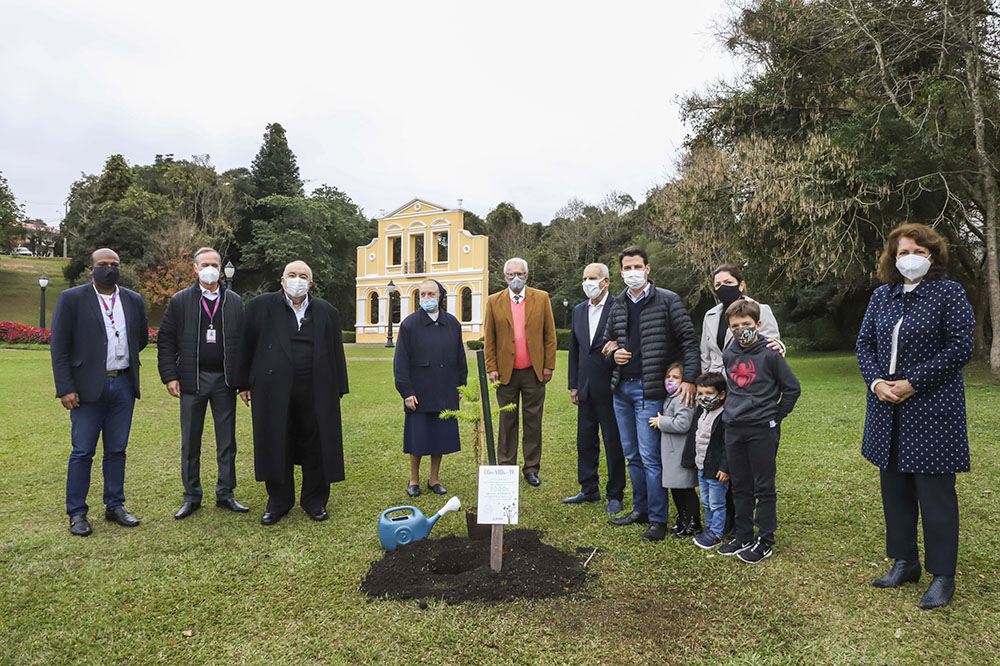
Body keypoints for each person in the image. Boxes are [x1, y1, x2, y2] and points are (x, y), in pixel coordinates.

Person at [856, 223, 974, 609]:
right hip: (886, 407)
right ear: (893, 257)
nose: (911, 258)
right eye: (904, 251)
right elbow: (865, 345)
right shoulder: (881, 296)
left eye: (920, 252)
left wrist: (913, 382)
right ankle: (905, 561)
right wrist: (876, 382)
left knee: (935, 495)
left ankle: (943, 576)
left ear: (933, 257)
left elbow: (960, 347)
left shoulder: (948, 293)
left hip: (931, 409)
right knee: (895, 491)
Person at [235, 260, 349, 526]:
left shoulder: (326, 312)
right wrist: (243, 383)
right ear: (282, 279)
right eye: (292, 274)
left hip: (317, 390)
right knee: (276, 442)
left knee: (316, 444)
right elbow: (246, 346)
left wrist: (339, 387)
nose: (297, 279)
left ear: (310, 283)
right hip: (272, 390)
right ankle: (279, 501)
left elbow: (336, 352)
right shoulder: (259, 307)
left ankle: (315, 500)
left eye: (303, 276)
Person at [602, 246, 700, 542]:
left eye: (637, 267)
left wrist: (690, 379)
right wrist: (613, 353)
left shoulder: (668, 301)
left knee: (650, 457)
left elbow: (688, 341)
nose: (632, 272)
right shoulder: (617, 304)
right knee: (632, 455)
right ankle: (641, 509)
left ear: (647, 269)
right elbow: (608, 342)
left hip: (651, 390)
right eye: (627, 268)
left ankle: (659, 518)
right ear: (620, 272)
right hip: (621, 390)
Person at [50, 248, 148, 536]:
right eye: (103, 265)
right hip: (85, 388)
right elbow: (60, 348)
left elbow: (140, 338)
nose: (109, 269)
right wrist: (66, 388)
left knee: (117, 450)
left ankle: (115, 505)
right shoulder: (72, 299)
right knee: (82, 451)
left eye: (114, 264)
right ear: (91, 270)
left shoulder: (133, 299)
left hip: (123, 385)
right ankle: (77, 512)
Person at [157, 247, 248, 519]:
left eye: (215, 264)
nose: (211, 268)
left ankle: (226, 493)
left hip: (224, 380)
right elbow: (166, 341)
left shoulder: (233, 300)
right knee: (190, 442)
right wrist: (170, 376)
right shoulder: (180, 300)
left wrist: (243, 381)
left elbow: (244, 343)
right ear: (195, 269)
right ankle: (192, 496)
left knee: (226, 441)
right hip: (191, 380)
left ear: (221, 269)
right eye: (205, 264)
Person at [717, 298, 800, 563]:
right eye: (735, 326)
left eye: (747, 324)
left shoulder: (770, 354)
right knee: (740, 484)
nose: (741, 330)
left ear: (758, 325)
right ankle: (743, 535)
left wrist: (776, 415)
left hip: (762, 428)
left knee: (763, 486)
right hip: (734, 426)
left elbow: (792, 388)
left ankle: (765, 539)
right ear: (729, 328)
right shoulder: (729, 353)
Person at [483, 257, 557, 487]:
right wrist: (491, 367)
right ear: (505, 277)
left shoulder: (542, 298)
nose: (516, 278)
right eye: (511, 274)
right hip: (505, 373)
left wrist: (548, 365)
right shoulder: (494, 301)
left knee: (533, 421)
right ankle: (507, 466)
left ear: (527, 275)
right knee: (507, 421)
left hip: (533, 372)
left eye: (520, 274)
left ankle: (531, 468)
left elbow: (549, 335)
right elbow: (490, 338)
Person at [393, 279, 468, 497]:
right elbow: (400, 362)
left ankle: (434, 479)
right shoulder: (409, 324)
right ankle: (414, 480)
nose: (426, 298)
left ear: (440, 296)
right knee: (418, 438)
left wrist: (461, 385)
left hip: (445, 389)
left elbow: (460, 358)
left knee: (439, 437)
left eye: (431, 294)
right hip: (419, 392)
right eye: (422, 294)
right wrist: (406, 391)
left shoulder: (453, 323)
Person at [565, 262, 626, 514]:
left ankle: (615, 493)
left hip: (611, 386)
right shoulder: (579, 310)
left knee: (613, 442)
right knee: (585, 439)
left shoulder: (619, 307)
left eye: (593, 278)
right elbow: (575, 349)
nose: (587, 282)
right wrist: (573, 384)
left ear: (606, 281)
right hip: (585, 386)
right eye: (584, 277)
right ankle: (588, 487)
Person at [700, 264, 784, 374]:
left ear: (741, 285)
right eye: (718, 285)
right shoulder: (710, 315)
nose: (723, 287)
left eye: (728, 282)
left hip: (745, 379)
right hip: (714, 382)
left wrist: (780, 346)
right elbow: (705, 354)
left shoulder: (761, 310)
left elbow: (772, 344)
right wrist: (703, 381)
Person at [648, 362, 699, 538]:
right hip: (671, 453)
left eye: (675, 377)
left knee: (686, 489)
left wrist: (661, 422)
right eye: (668, 377)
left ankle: (693, 523)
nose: (671, 380)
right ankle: (683, 520)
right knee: (676, 489)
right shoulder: (670, 397)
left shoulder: (683, 398)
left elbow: (683, 423)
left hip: (680, 452)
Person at [682, 372, 729, 550]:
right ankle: (709, 529)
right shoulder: (701, 412)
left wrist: (726, 467)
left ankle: (716, 533)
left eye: (709, 394)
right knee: (707, 501)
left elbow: (728, 446)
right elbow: (696, 438)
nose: (704, 398)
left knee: (717, 503)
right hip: (702, 466)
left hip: (717, 470)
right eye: (700, 394)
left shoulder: (724, 416)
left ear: (721, 394)